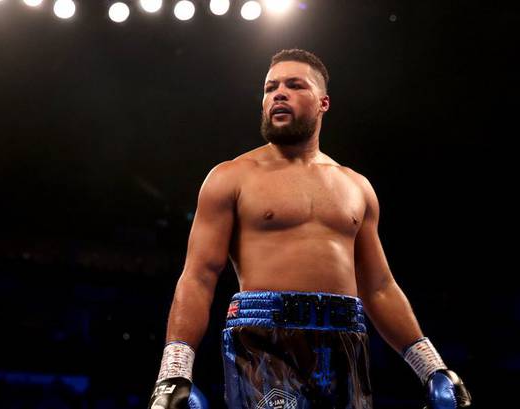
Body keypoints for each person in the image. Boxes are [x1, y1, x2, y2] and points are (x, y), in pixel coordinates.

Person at [147, 49, 472, 409]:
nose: (279, 94)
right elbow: (198, 276)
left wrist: (433, 368)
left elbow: (379, 286)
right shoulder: (231, 177)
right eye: (270, 87)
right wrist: (174, 372)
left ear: (323, 103)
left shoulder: (356, 186)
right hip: (264, 341)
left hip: (345, 342)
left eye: (294, 85)